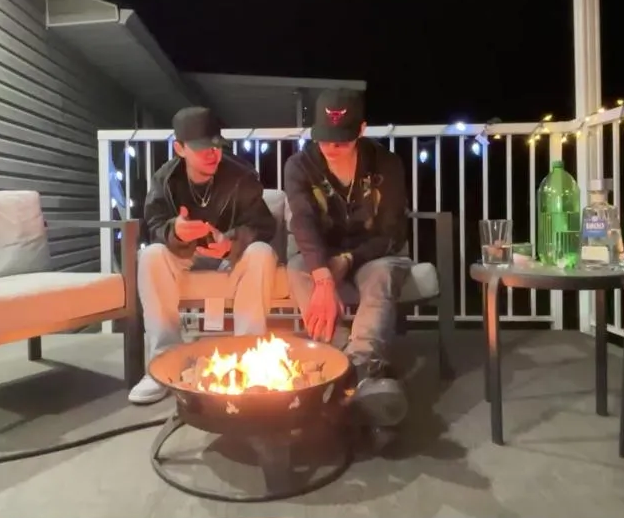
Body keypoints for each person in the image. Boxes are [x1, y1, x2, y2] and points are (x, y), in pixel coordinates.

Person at [283, 89, 414, 430]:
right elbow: (302, 222)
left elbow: (391, 234)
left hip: (376, 253)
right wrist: (324, 275)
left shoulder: (386, 164)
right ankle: (351, 367)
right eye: (324, 136)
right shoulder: (300, 166)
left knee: (381, 274)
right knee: (297, 269)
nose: (331, 145)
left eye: (341, 138)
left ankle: (359, 365)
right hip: (324, 255)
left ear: (361, 130)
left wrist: (347, 260)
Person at [131, 107, 279, 405]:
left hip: (230, 258)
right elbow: (154, 225)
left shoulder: (241, 175)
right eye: (201, 148)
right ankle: (164, 363)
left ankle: (248, 358)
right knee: (151, 255)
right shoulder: (165, 179)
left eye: (216, 146)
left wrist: (231, 241)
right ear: (180, 148)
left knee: (261, 252)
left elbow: (264, 226)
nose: (212, 154)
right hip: (183, 256)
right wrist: (175, 232)